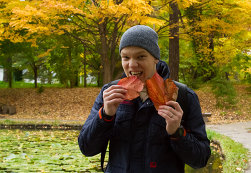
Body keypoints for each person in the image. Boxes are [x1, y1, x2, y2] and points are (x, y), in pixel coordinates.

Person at [78, 25, 211, 173]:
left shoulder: (182, 96)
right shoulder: (110, 93)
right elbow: (86, 148)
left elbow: (201, 159)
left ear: (155, 58)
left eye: (141, 56)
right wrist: (105, 115)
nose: (132, 64)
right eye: (126, 57)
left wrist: (177, 132)